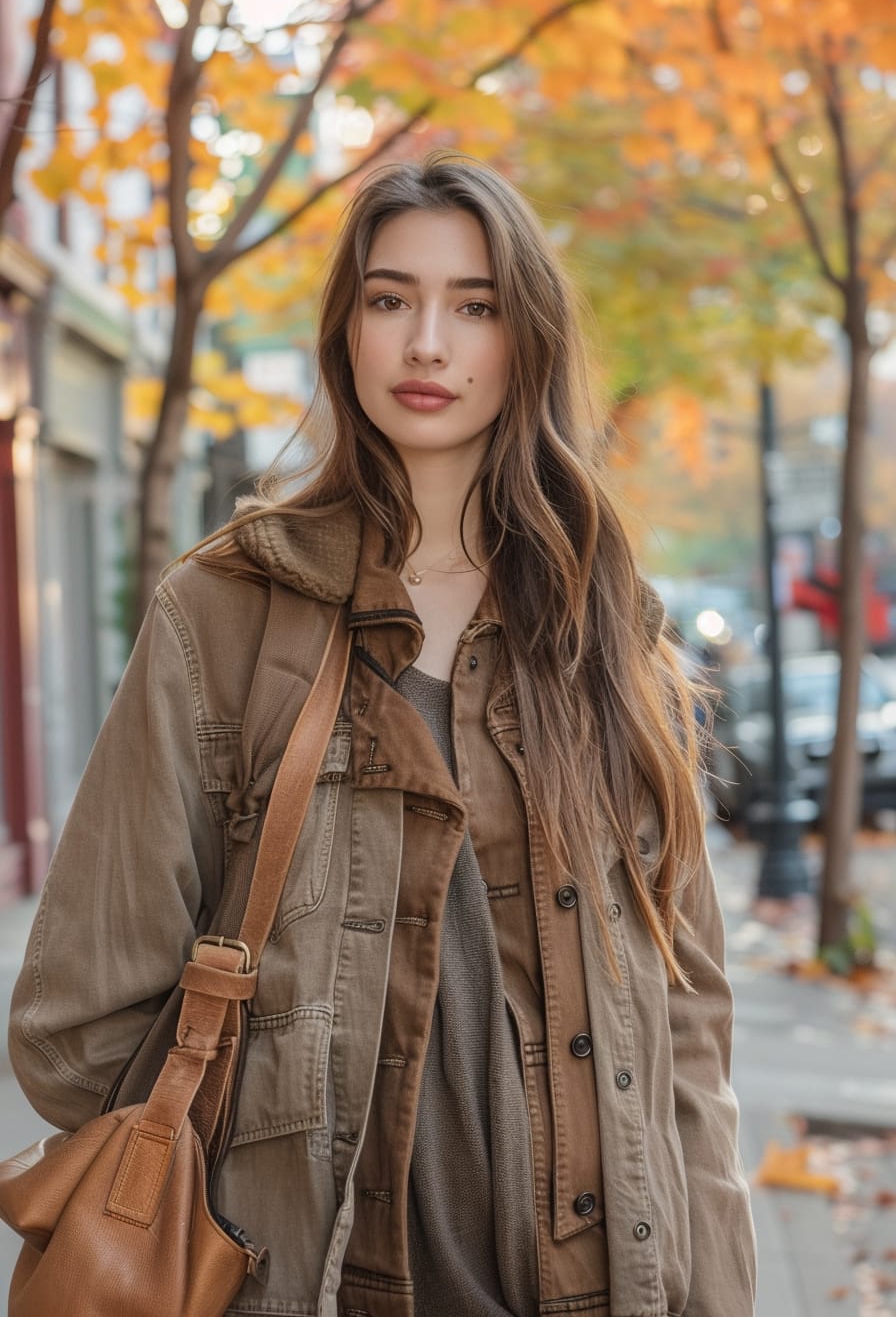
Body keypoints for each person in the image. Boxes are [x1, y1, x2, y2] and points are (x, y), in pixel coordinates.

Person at [9, 153, 756, 1317]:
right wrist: (258, 1174)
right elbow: (75, 1027)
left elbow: (688, 1034)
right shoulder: (225, 616)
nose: (426, 345)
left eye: (475, 307)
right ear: (343, 330)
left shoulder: (603, 635)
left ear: (527, 342)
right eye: (389, 297)